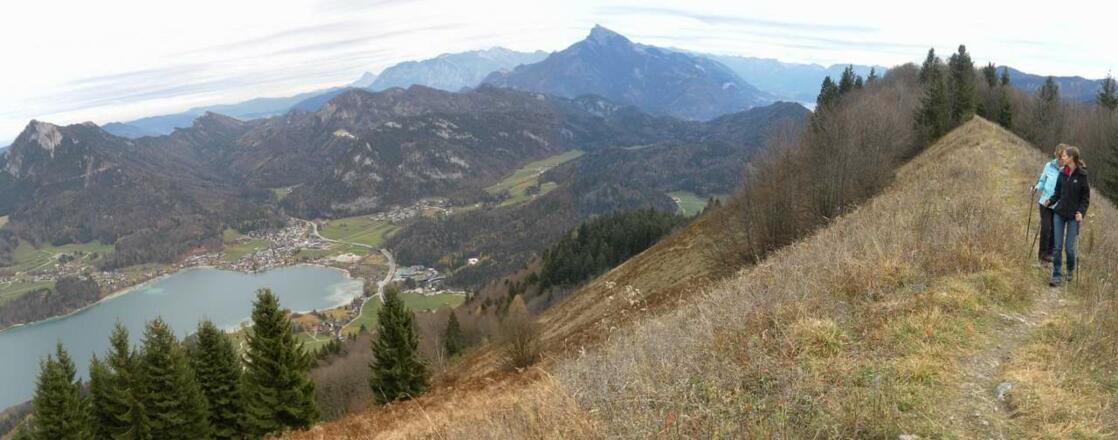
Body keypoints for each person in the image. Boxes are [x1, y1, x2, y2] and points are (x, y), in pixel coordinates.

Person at [1044, 146, 1090, 286]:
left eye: (1064, 156)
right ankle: (1056, 275)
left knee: (1069, 248)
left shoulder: (1082, 176)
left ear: (1071, 158)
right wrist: (1050, 201)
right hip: (1059, 213)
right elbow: (1057, 193)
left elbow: (1085, 199)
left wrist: (1081, 212)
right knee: (1057, 248)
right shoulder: (1062, 173)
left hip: (1073, 217)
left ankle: (1070, 269)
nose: (1061, 158)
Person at [1032, 144, 1068, 262]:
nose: (1062, 159)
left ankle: (1050, 254)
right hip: (1045, 202)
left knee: (1054, 230)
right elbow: (1042, 180)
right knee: (1046, 228)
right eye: (1060, 156)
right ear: (1057, 156)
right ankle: (1042, 255)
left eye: (1064, 156)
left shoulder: (1068, 170)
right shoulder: (1049, 166)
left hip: (1058, 204)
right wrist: (1036, 188)